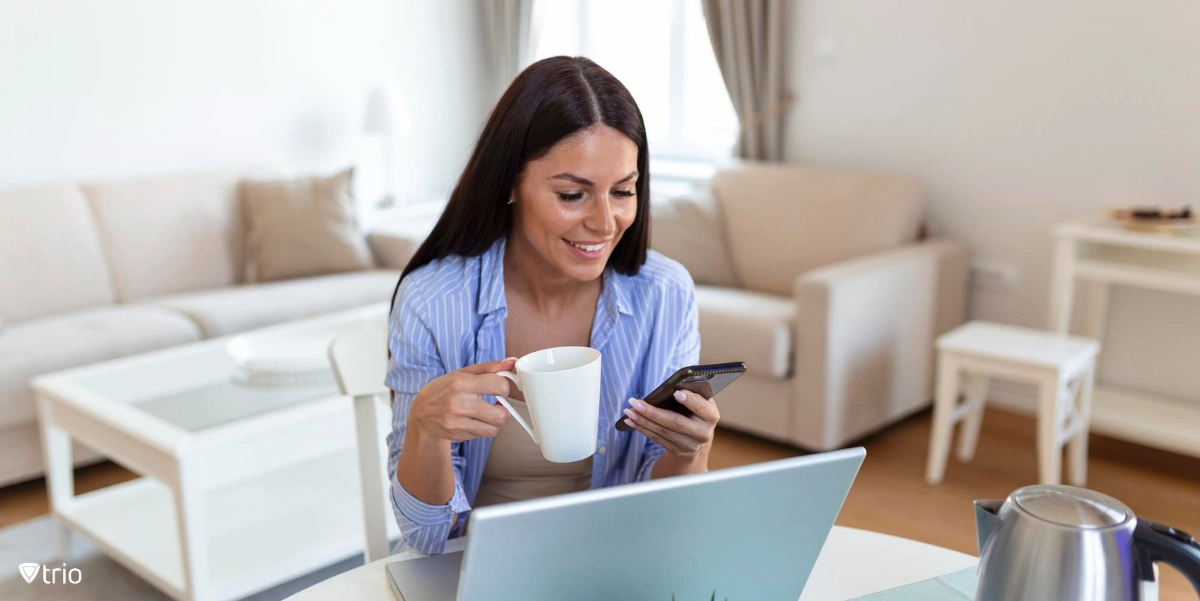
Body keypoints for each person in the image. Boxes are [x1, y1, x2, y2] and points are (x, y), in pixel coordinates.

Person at [385, 56, 719, 555]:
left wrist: (692, 451)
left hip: (616, 561)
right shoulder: (433, 301)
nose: (606, 223)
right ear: (510, 184)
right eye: (572, 194)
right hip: (477, 564)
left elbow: (667, 518)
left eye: (623, 191)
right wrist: (424, 432)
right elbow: (425, 535)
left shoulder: (664, 293)